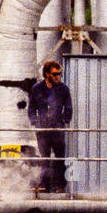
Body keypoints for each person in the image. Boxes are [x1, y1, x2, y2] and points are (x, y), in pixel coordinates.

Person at [28, 60, 73, 192]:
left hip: (57, 127)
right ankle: (44, 184)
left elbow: (68, 106)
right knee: (45, 157)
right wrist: (35, 121)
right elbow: (31, 108)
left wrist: (65, 119)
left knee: (60, 157)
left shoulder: (63, 89)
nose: (58, 76)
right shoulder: (37, 88)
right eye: (55, 74)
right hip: (42, 128)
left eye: (59, 74)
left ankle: (60, 186)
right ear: (47, 74)